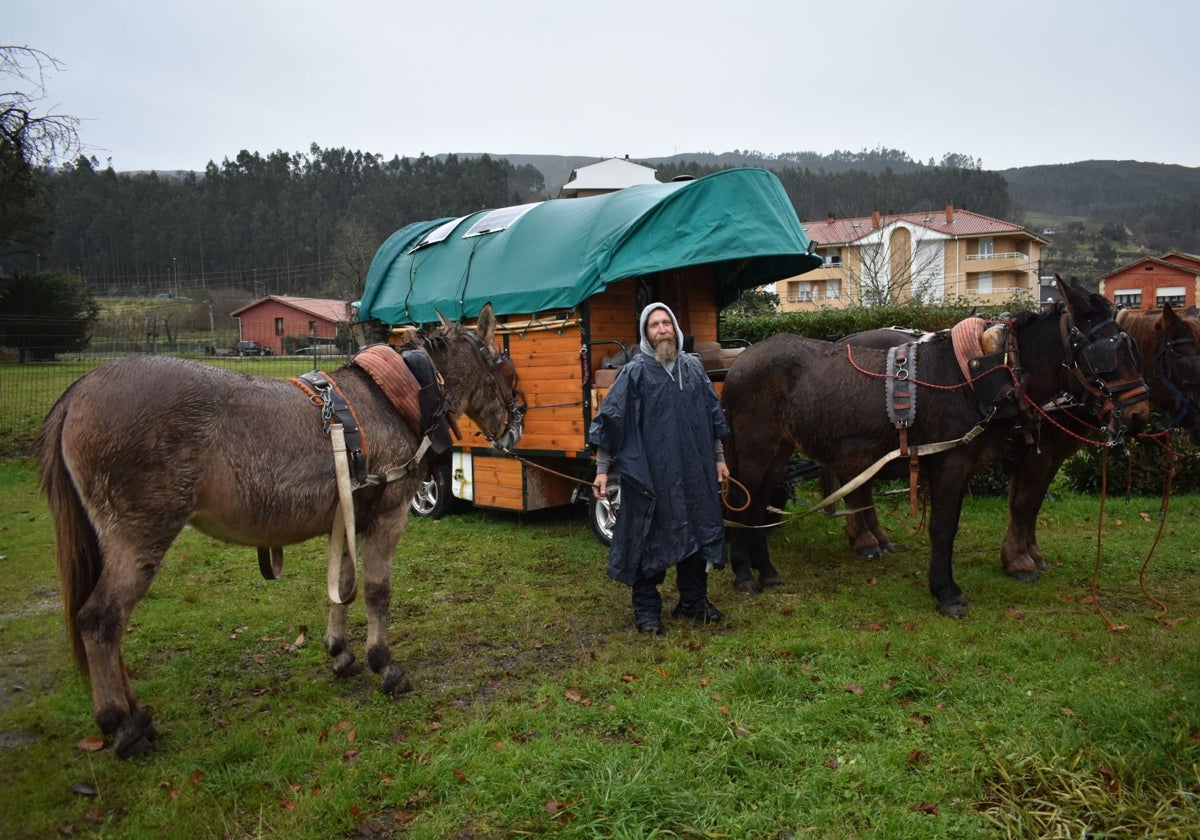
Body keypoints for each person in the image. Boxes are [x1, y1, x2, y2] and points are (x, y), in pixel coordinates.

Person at [588, 302, 730, 635]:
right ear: (646, 334)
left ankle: (693, 603)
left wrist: (719, 459)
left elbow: (712, 419)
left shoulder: (694, 370)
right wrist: (603, 469)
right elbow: (612, 421)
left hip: (694, 472)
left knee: (696, 535)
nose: (662, 329)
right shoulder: (634, 373)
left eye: (666, 322)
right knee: (647, 540)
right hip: (650, 475)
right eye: (654, 325)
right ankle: (648, 611)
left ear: (676, 328)